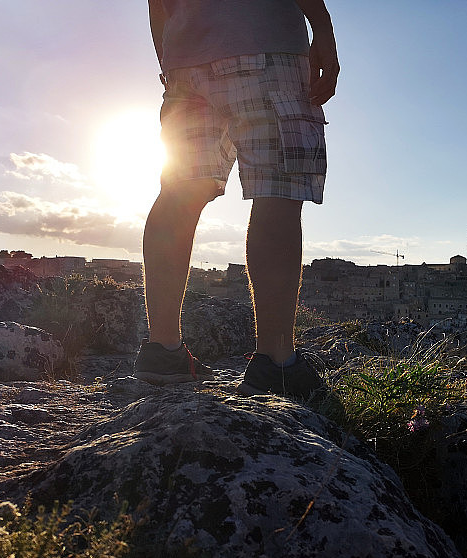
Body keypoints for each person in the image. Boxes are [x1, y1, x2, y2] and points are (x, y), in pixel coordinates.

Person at [133, 0, 339, 402]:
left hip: (183, 63)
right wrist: (323, 29)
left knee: (179, 192)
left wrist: (171, 59)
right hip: (265, 42)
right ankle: (277, 363)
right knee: (278, 188)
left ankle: (162, 348)